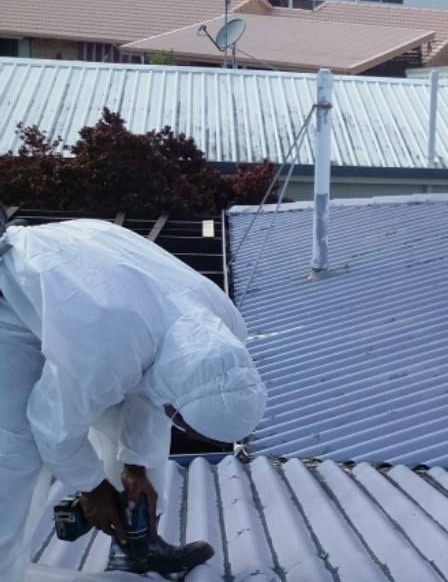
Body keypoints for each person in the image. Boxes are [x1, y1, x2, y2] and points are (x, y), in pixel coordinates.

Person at [0, 214, 266, 580]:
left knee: (142, 445)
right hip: (15, 295)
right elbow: (51, 428)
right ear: (178, 409)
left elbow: (152, 390)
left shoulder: (224, 331)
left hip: (93, 287)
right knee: (14, 451)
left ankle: (138, 548)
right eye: (188, 426)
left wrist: (134, 468)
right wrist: (93, 488)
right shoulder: (104, 352)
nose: (185, 432)